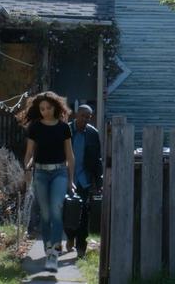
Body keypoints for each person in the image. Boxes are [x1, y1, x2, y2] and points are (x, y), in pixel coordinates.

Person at [17, 91, 76, 273]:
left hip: (59, 172)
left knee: (56, 211)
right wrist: (26, 169)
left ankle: (53, 255)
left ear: (56, 107)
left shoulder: (64, 128)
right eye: (42, 109)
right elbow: (29, 154)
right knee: (45, 215)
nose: (45, 112)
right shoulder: (35, 127)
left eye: (48, 108)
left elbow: (70, 156)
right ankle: (48, 247)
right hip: (40, 173)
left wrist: (71, 180)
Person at [66, 104, 102, 258]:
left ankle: (81, 248)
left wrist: (98, 181)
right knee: (67, 212)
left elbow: (97, 159)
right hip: (67, 178)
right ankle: (70, 237)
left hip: (84, 180)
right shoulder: (66, 130)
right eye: (83, 116)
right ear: (76, 115)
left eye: (88, 117)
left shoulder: (93, 134)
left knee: (84, 215)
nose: (85, 119)